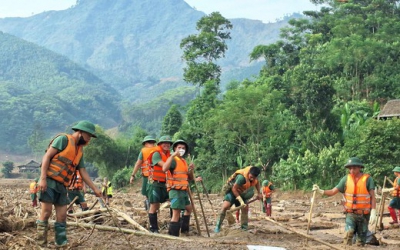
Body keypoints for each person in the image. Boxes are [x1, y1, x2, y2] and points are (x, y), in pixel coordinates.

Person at [36, 120, 102, 247]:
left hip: (62, 186)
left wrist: (95, 189)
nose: (89, 139)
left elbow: (83, 171)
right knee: (46, 212)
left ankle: (61, 244)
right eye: (88, 136)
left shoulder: (79, 151)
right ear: (80, 132)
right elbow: (47, 157)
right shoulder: (63, 139)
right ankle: (41, 244)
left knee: (62, 216)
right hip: (49, 181)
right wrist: (42, 178)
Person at [312, 157, 377, 247]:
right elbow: (332, 191)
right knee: (348, 233)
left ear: (359, 168)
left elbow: (373, 196)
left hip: (364, 215)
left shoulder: (368, 179)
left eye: (354, 168)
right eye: (350, 168)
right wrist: (321, 191)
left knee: (361, 241)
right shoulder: (345, 179)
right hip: (350, 214)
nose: (352, 170)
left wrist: (374, 211)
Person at [214, 166, 262, 233]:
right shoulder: (241, 178)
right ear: (249, 173)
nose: (252, 178)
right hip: (232, 192)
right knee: (225, 206)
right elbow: (234, 188)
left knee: (245, 208)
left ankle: (244, 228)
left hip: (242, 193)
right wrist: (240, 200)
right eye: (251, 176)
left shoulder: (254, 178)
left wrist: (259, 193)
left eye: (254, 177)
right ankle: (218, 226)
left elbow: (257, 183)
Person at [162, 140, 195, 236]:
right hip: (175, 190)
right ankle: (173, 235)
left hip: (183, 190)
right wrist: (172, 156)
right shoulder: (173, 160)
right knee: (176, 213)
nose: (181, 150)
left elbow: (190, 178)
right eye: (179, 148)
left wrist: (191, 170)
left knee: (188, 209)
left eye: (183, 148)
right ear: (175, 149)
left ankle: (184, 231)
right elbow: (164, 169)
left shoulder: (184, 161)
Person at [146, 135, 172, 233]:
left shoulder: (169, 155)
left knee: (173, 201)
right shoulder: (156, 154)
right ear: (160, 144)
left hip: (165, 183)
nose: (166, 145)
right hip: (155, 183)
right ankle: (153, 228)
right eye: (164, 143)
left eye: (168, 143)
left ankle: (173, 225)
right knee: (154, 205)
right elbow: (164, 166)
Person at [130, 135, 157, 210]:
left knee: (148, 193)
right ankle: (154, 208)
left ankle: (150, 209)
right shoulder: (158, 150)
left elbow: (138, 164)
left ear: (145, 143)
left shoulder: (143, 151)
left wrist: (133, 175)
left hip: (148, 176)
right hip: (159, 176)